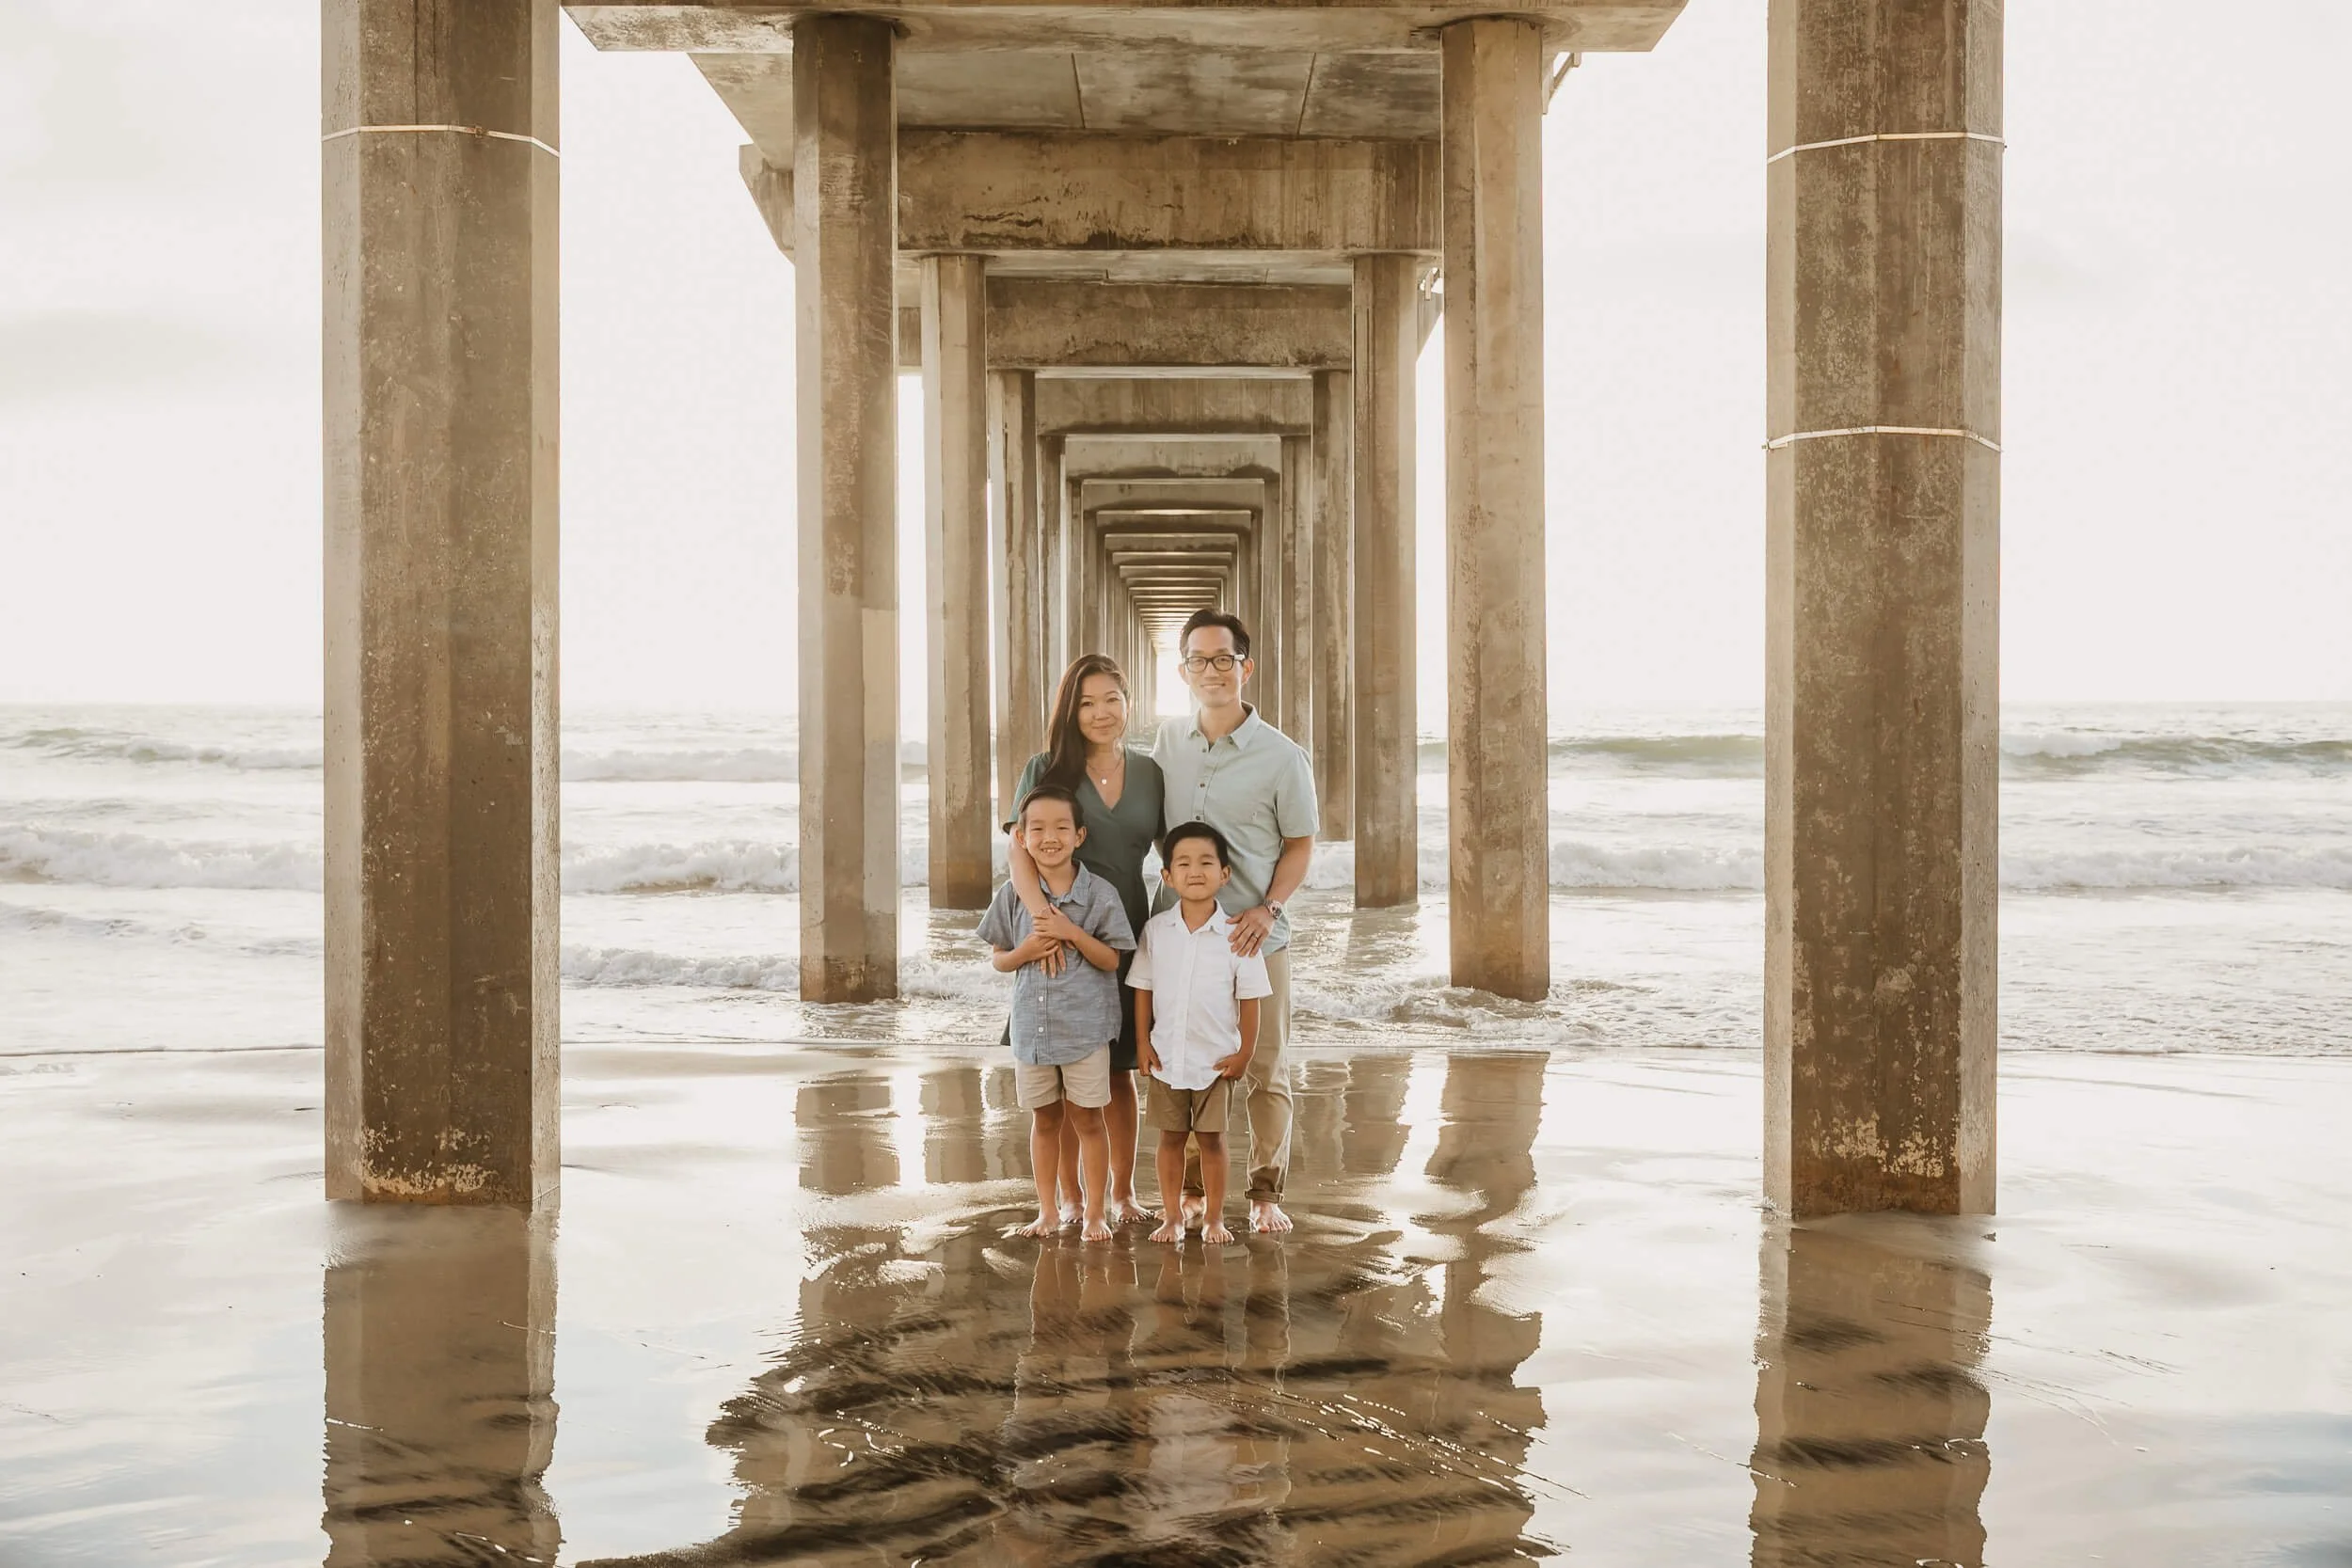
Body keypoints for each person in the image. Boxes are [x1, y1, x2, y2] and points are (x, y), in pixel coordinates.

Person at [1154, 610, 1316, 1234]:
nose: (1212, 671)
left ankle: (1266, 1191)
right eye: (1199, 659)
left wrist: (1268, 906)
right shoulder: (1167, 742)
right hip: (1182, 934)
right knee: (1189, 1061)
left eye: (1224, 659)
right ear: (1183, 671)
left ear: (1245, 668)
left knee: (1264, 1067)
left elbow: (1299, 844)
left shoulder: (1282, 756)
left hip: (1256, 938)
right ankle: (1193, 1188)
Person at [1003, 654, 1168, 1226]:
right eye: (1087, 702)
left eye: (1112, 700)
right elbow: (1019, 851)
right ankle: (1069, 1200)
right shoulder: (1045, 768)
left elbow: (1180, 853)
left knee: (1117, 1068)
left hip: (1125, 933)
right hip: (1056, 936)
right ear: (1070, 710)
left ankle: (1120, 1193)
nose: (1101, 713)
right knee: (1064, 1068)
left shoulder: (1150, 772)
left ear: (1129, 703)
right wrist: (1043, 919)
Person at [977, 784, 1135, 1243]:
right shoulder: (1012, 895)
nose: (1050, 837)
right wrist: (1025, 950)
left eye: (1061, 827)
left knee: (1088, 1120)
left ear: (1080, 835)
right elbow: (998, 958)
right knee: (1045, 1121)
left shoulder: (1099, 894)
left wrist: (1070, 933)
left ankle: (1095, 1213)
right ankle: (1048, 1210)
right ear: (1021, 839)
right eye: (1038, 828)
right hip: (1033, 1032)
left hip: (1085, 1031)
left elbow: (1112, 959)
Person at [1130, 821, 1271, 1246]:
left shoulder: (1237, 936)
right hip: (1166, 1056)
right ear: (1167, 876)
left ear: (1224, 874)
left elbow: (1250, 1000)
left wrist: (1245, 1053)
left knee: (1212, 1140)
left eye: (1207, 862)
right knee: (1170, 1140)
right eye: (1184, 863)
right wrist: (1141, 1043)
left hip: (1214, 1060)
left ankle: (1213, 1218)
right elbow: (1143, 989)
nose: (1196, 870)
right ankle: (1172, 1216)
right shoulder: (1156, 931)